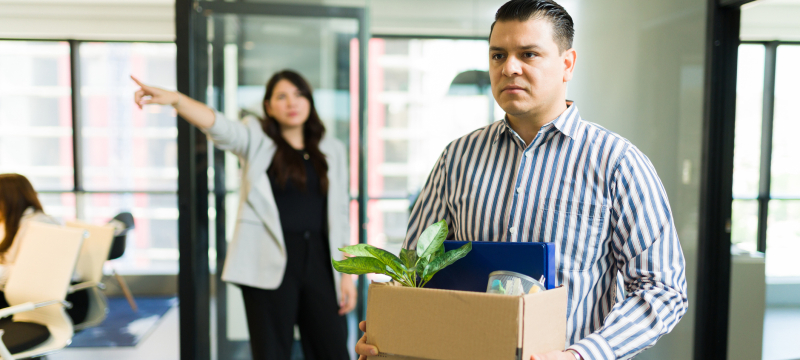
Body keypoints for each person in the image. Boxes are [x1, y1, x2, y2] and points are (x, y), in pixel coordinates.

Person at [355, 1, 688, 360]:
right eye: (498, 55)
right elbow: (413, 273)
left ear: (567, 64)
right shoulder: (457, 158)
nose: (510, 67)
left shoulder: (618, 164)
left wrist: (583, 355)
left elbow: (662, 290)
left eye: (528, 54)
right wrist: (386, 333)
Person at [132, 70, 355, 360]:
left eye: (299, 95)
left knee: (333, 348)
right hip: (268, 259)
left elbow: (339, 214)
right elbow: (218, 125)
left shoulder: (332, 149)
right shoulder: (256, 139)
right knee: (271, 352)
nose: (292, 102)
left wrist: (347, 273)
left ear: (309, 101)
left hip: (322, 261)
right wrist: (176, 100)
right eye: (281, 96)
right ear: (268, 106)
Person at [0, 173, 60, 307]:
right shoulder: (12, 223)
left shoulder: (39, 226)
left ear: (9, 200)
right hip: (16, 289)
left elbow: (25, 272)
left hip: (37, 296)